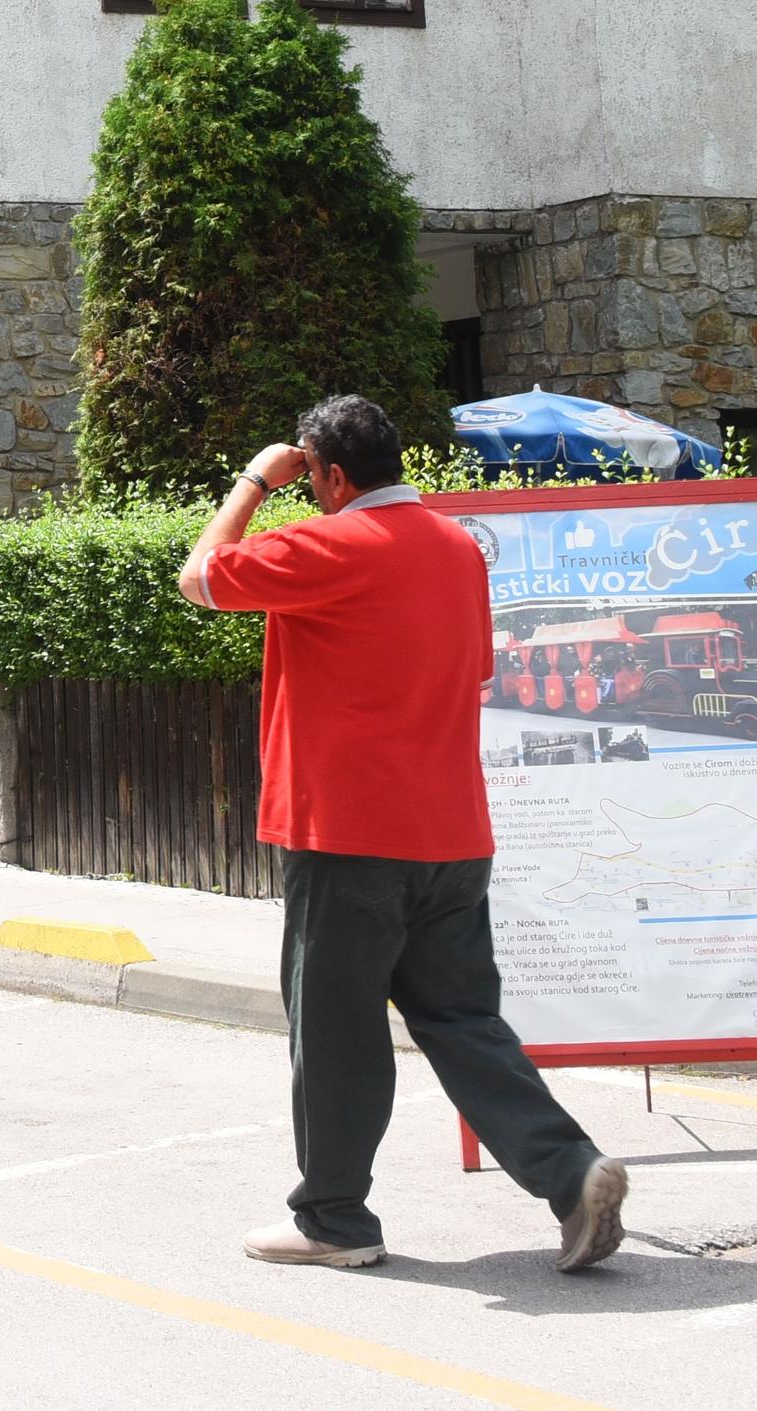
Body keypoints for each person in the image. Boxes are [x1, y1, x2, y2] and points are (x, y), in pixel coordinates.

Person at [182, 393, 626, 1273]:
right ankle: (571, 1173)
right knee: (463, 1019)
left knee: (336, 1030)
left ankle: (335, 1220)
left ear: (333, 475)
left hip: (347, 832)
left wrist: (252, 479)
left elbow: (201, 574)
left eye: (309, 477)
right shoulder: (459, 547)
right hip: (452, 830)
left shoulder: (328, 542)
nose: (305, 490)